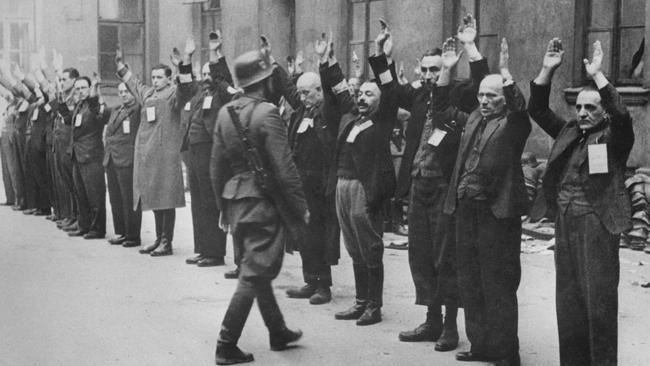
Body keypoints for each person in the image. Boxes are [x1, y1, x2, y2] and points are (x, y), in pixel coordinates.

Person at [383, 14, 488, 351]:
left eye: (434, 69)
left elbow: (484, 80)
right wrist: (381, 56)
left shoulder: (459, 92)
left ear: (444, 67)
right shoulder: (416, 96)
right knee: (422, 255)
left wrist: (470, 49)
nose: (429, 76)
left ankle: (450, 327)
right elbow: (388, 88)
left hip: (444, 187)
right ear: (419, 70)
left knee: (447, 258)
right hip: (418, 185)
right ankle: (431, 319)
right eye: (425, 70)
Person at [528, 38, 634, 366]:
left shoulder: (615, 139)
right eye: (579, 107)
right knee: (569, 303)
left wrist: (600, 77)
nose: (583, 113)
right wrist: (548, 69)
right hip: (566, 222)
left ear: (602, 110)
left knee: (598, 305)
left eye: (591, 108)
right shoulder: (571, 132)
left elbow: (623, 115)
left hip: (597, 225)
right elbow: (538, 110)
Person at [210, 47, 308, 365]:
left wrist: (222, 208)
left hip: (235, 200)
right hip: (263, 203)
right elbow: (285, 167)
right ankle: (226, 344)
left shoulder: (226, 113)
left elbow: (215, 167)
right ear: (265, 82)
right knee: (254, 272)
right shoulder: (268, 113)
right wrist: (299, 206)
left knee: (255, 265)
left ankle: (277, 331)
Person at [442, 37, 530, 365]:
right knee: (470, 278)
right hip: (466, 207)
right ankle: (481, 344)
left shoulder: (513, 123)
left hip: (497, 213)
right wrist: (459, 63)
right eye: (481, 95)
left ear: (504, 99)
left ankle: (507, 353)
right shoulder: (475, 118)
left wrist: (506, 74)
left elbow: (522, 110)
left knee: (498, 283)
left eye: (491, 96)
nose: (484, 101)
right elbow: (447, 103)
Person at [325, 23, 399, 326]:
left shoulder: (381, 122)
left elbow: (391, 90)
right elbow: (340, 90)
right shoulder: (353, 117)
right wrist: (328, 62)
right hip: (342, 186)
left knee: (370, 247)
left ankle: (374, 305)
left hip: (363, 189)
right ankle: (360, 301)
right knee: (353, 247)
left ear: (379, 101)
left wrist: (380, 56)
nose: (363, 98)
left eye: (370, 94)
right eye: (362, 94)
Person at [278, 32, 343, 306]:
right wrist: (274, 63)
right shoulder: (301, 111)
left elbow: (331, 92)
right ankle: (310, 280)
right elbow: (288, 90)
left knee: (320, 235)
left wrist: (323, 62)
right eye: (301, 93)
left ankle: (323, 286)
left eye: (307, 93)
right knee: (303, 233)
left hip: (321, 184)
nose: (302, 97)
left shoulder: (327, 112)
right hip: (301, 183)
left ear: (318, 91)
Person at [115, 41, 190, 257]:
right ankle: (158, 238)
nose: (155, 80)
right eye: (154, 77)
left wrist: (182, 66)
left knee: (167, 198)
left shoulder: (174, 93)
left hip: (166, 155)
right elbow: (134, 84)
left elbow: (186, 89)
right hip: (148, 154)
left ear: (168, 78)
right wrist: (121, 67)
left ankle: (167, 241)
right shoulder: (148, 94)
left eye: (159, 77)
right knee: (155, 197)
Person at [179, 31, 232, 268]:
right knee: (198, 201)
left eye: (209, 73)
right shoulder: (199, 92)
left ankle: (215, 252)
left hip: (212, 150)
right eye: (203, 74)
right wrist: (187, 59)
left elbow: (224, 78)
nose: (206, 77)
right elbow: (185, 85)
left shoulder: (222, 92)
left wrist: (214, 53)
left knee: (211, 201)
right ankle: (201, 248)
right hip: (195, 151)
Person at [61, 75, 107, 239]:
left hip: (91, 155)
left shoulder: (94, 105)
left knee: (95, 194)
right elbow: (67, 119)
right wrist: (62, 98)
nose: (80, 92)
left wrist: (94, 92)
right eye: (78, 88)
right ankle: (84, 225)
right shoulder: (80, 106)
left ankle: (97, 228)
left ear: (90, 89)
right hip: (77, 155)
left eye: (83, 88)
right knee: (81, 193)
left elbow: (99, 113)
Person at [104, 82, 142, 248]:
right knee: (115, 198)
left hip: (127, 159)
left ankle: (133, 235)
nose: (124, 94)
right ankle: (122, 232)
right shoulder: (116, 109)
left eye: (127, 91)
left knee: (128, 199)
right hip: (112, 157)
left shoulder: (137, 109)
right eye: (121, 92)